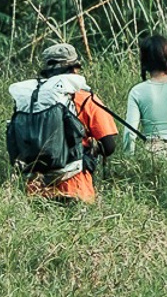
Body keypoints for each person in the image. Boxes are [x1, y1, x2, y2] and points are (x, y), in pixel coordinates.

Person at [7, 42, 118, 204]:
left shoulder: (31, 100)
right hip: (77, 187)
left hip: (36, 189)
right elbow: (109, 146)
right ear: (74, 69)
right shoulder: (84, 98)